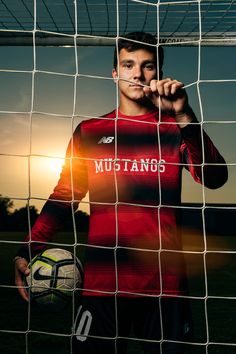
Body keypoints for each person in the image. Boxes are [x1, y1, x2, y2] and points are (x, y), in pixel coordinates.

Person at [14, 32, 228, 354]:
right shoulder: (89, 131)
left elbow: (215, 178)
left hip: (164, 288)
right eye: (128, 65)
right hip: (101, 288)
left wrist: (184, 115)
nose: (138, 75)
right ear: (114, 72)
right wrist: (29, 249)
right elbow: (65, 196)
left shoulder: (174, 128)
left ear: (158, 73)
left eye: (148, 66)